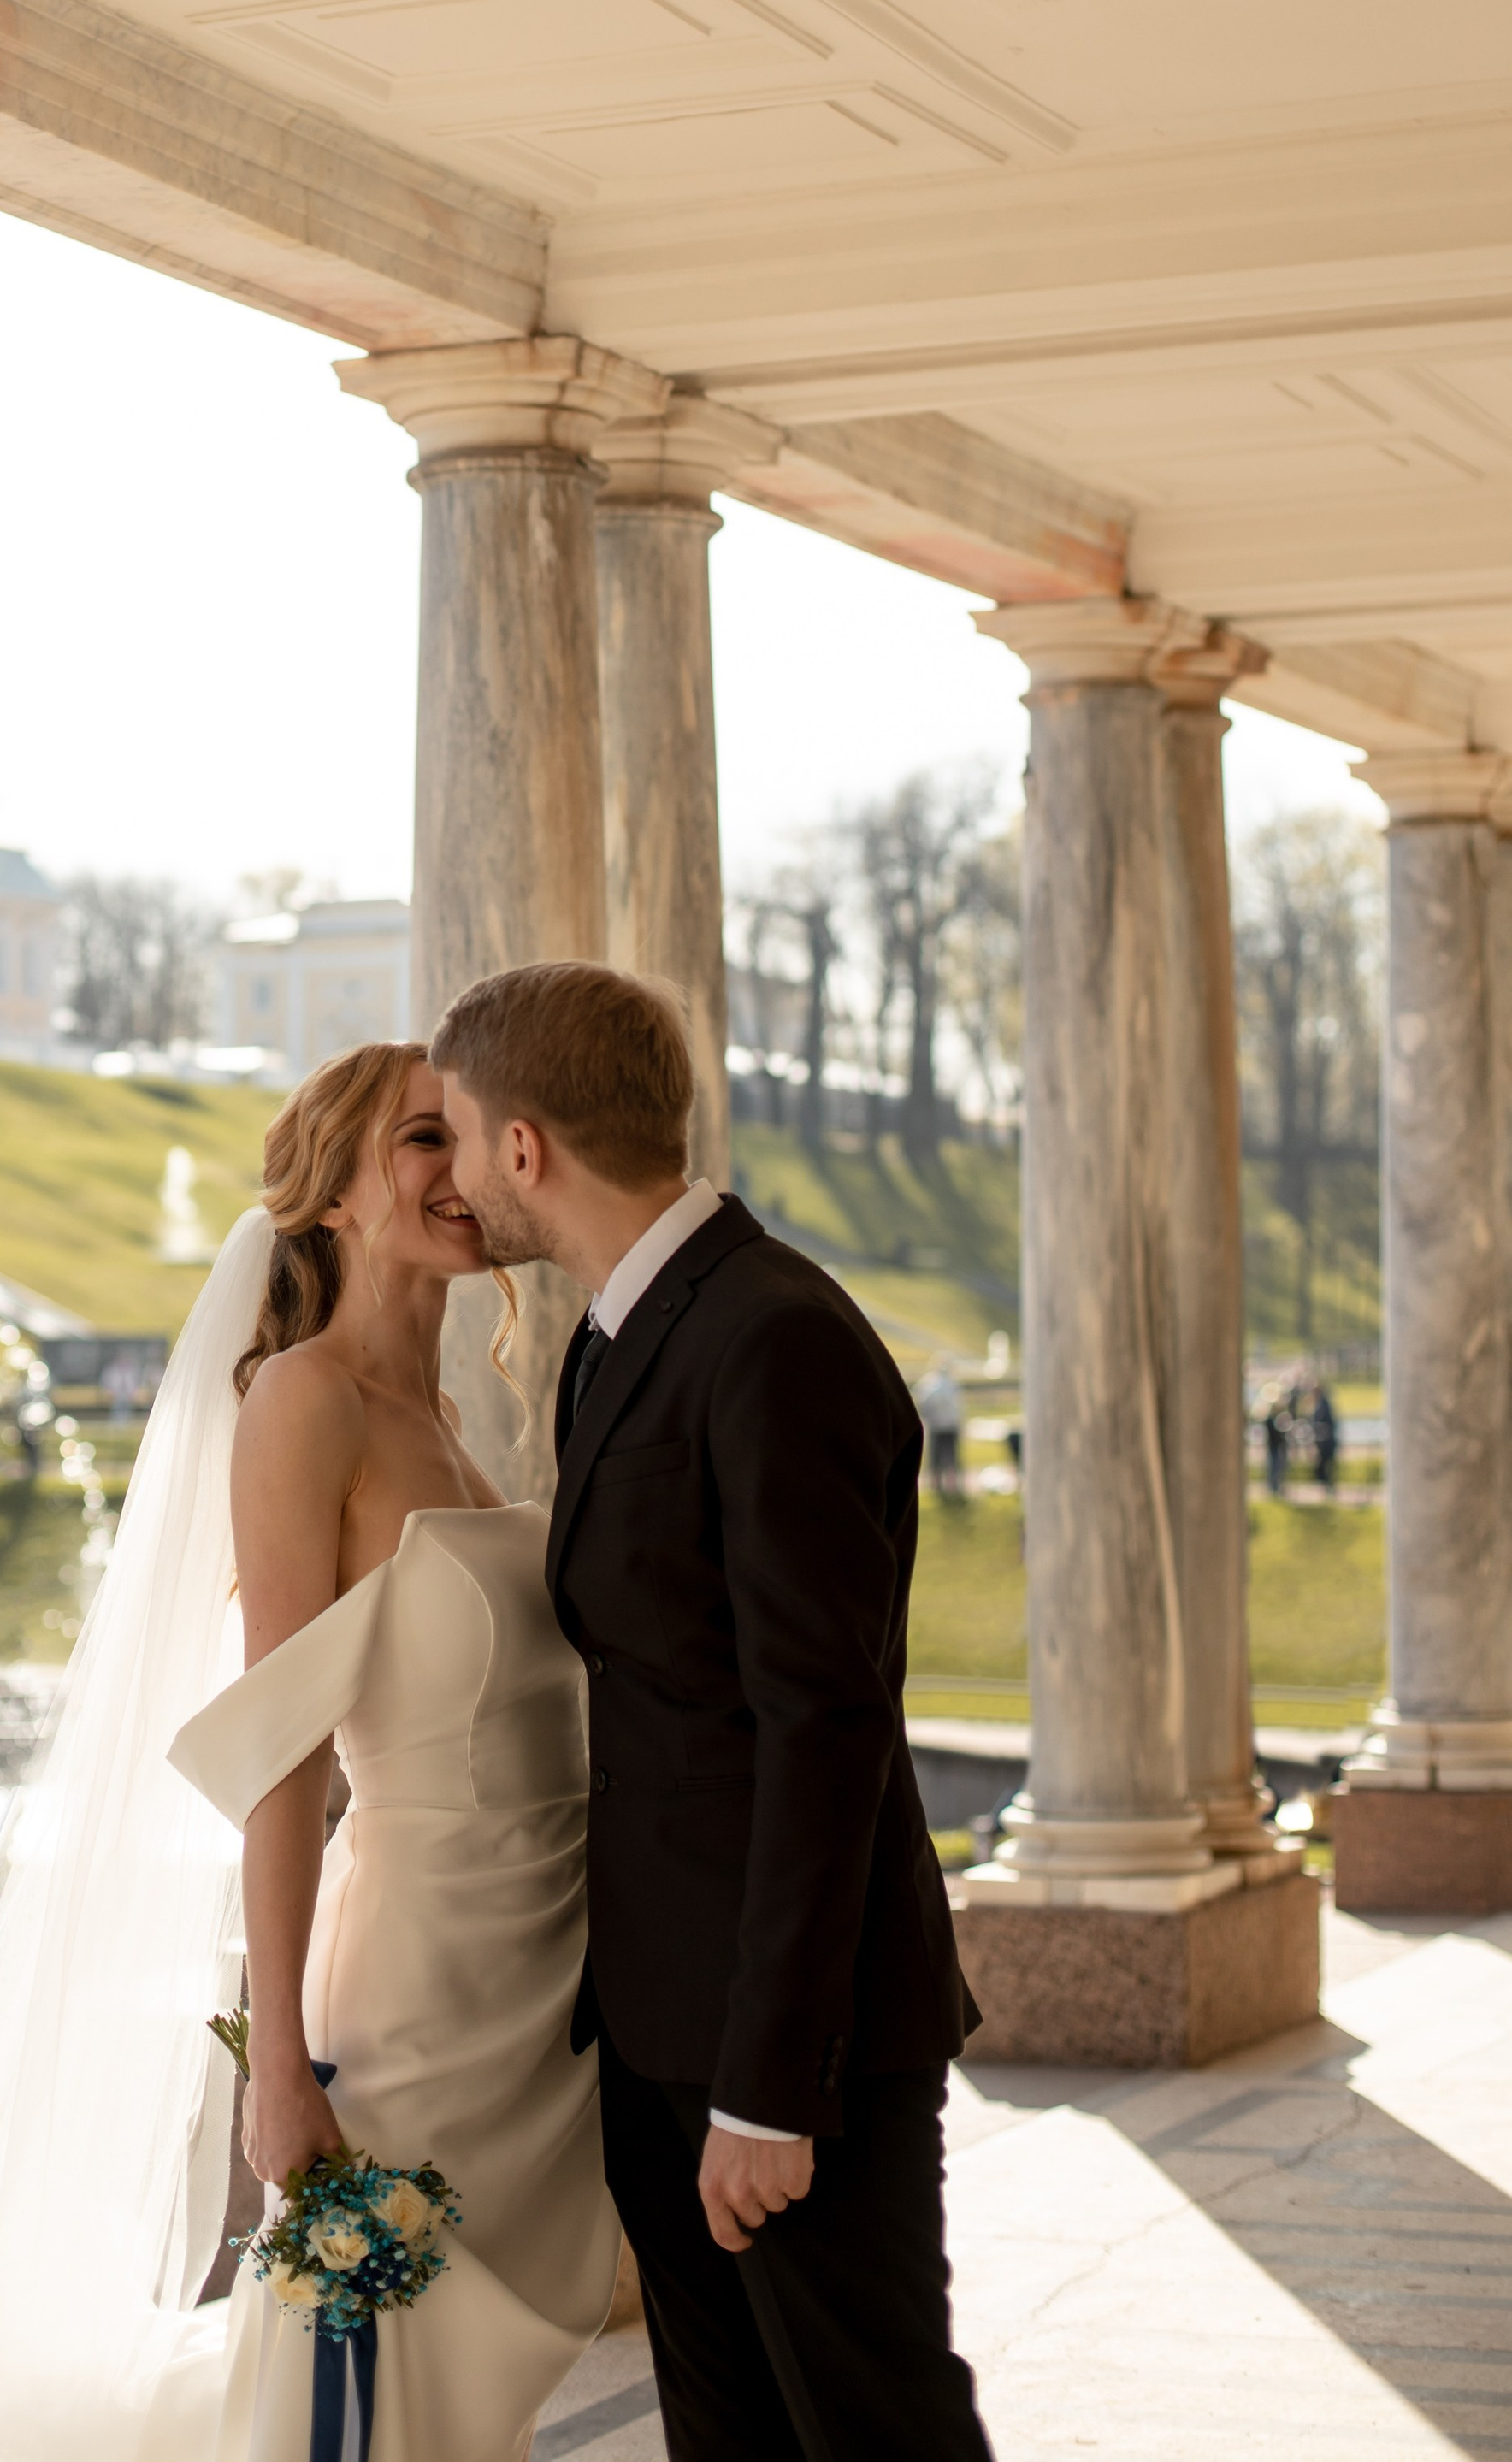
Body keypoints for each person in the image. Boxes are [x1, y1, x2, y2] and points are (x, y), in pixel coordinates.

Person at [0, 1042, 615, 2462]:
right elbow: (285, 1757)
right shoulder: (302, 1407)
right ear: (332, 1194)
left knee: (467, 2391)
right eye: (420, 1141)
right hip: (408, 1993)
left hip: (530, 1994)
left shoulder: (457, 1425)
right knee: (374, 2390)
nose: (461, 1174)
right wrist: (278, 2060)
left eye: (466, 1140)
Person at [434, 960, 990, 2462]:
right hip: (670, 2023)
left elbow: (826, 1732)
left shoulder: (773, 1335)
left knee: (876, 2432)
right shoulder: (615, 1340)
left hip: (790, 2049)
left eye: (462, 1136)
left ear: (527, 1148)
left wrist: (765, 2085)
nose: (461, 1174)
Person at [915, 1362, 965, 1500]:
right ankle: (950, 1484)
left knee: (938, 1456)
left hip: (939, 1425)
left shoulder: (930, 1384)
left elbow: (922, 1403)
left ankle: (938, 1484)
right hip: (948, 1424)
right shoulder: (949, 1384)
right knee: (949, 1455)